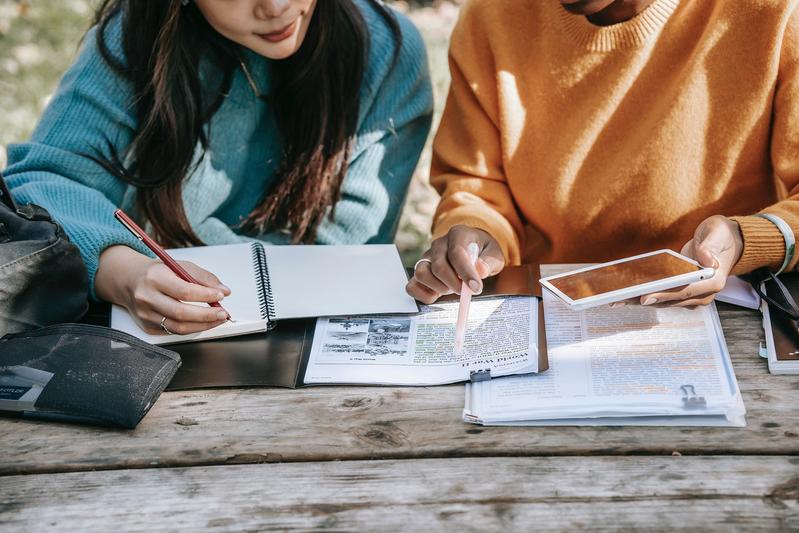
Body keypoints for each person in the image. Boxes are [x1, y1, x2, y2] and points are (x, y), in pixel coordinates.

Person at [5, 0, 433, 335]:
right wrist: (124, 272)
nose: (276, 7)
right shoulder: (138, 37)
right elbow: (41, 183)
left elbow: (348, 253)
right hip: (145, 341)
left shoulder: (386, 51)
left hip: (312, 341)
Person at [407, 0, 799, 308]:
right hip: (548, 307)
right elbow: (476, 185)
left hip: (727, 311)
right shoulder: (490, 18)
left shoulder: (774, 13)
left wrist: (747, 240)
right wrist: (476, 233)